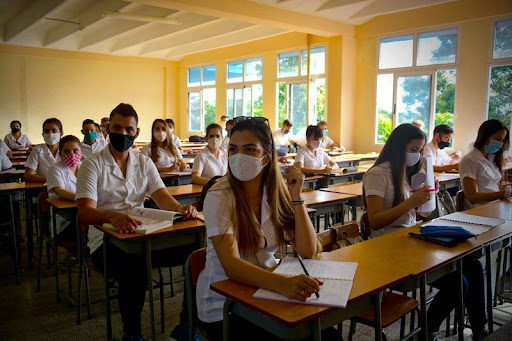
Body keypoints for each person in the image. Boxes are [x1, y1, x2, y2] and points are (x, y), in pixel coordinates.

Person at [196, 117, 333, 340]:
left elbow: (309, 250)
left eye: (250, 149)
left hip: (267, 287)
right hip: (224, 304)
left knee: (323, 333)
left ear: (267, 157)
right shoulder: (219, 195)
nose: (239, 156)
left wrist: (296, 198)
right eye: (233, 149)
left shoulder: (275, 193)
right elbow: (232, 266)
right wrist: (283, 284)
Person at [76, 103, 198, 341]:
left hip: (142, 234)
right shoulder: (92, 165)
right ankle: (132, 333)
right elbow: (86, 213)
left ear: (137, 133)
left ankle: (187, 323)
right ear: (107, 130)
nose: (122, 134)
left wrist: (179, 207)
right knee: (135, 266)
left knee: (195, 254)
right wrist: (111, 215)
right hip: (105, 242)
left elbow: (161, 194)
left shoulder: (143, 162)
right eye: (116, 128)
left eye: (128, 130)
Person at [363, 123, 487, 340]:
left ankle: (479, 327)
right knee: (458, 284)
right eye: (412, 150)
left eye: (420, 151)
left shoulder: (406, 173)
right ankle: (428, 330)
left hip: (409, 239)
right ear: (397, 147)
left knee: (474, 265)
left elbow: (418, 216)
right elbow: (375, 221)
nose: (417, 155)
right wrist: (412, 201)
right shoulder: (378, 174)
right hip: (386, 249)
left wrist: (428, 197)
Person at [460, 119, 511, 210]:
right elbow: (473, 197)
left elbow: (491, 186)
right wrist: (504, 193)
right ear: (486, 136)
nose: (500, 144)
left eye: (502, 140)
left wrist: (507, 188)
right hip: (478, 211)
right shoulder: (470, 160)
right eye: (498, 139)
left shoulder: (492, 158)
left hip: (494, 206)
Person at [46, 135, 82, 241]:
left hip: (83, 210)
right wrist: (84, 199)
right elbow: (60, 192)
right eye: (66, 152)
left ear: (81, 152)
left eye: (75, 151)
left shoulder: (85, 166)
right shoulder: (55, 169)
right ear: (60, 154)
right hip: (65, 221)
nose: (72, 155)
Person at [25, 118, 63, 183]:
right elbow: (28, 176)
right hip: (44, 187)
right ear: (43, 134)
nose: (50, 134)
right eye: (47, 131)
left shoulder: (66, 149)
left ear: (61, 134)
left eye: (54, 131)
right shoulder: (38, 150)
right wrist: (52, 180)